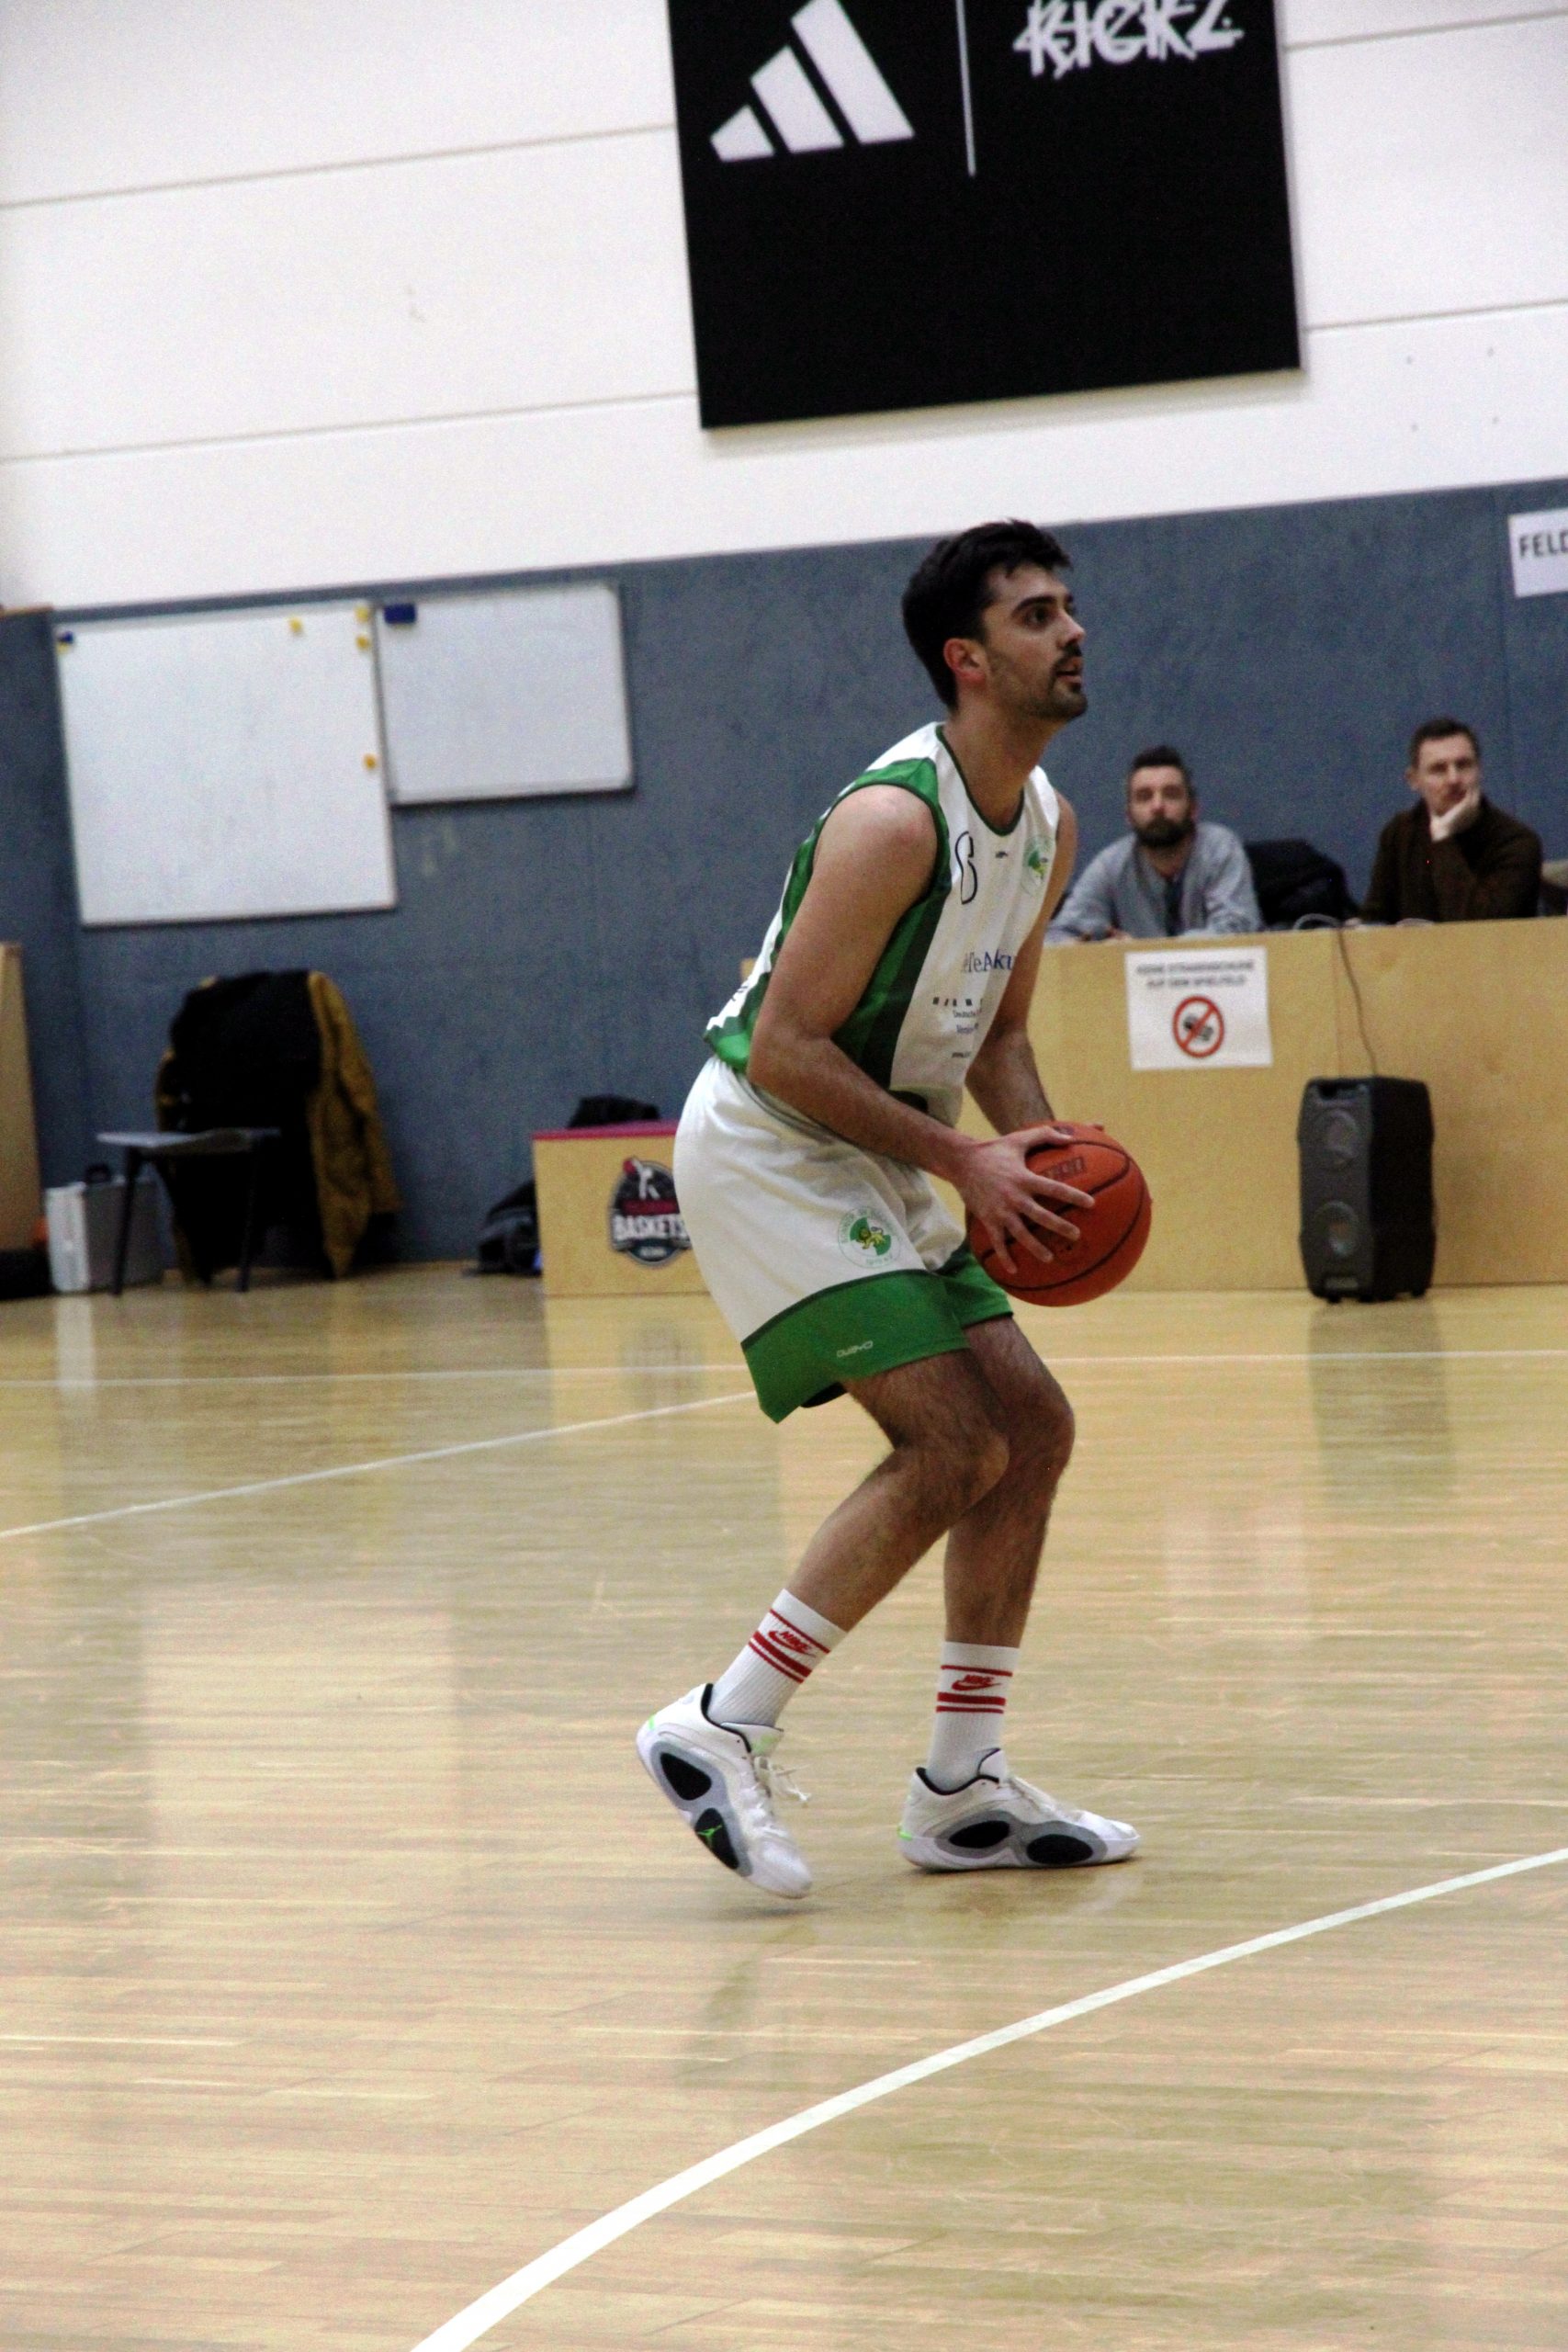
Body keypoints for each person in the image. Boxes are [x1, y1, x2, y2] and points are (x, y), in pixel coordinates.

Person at [637, 519, 1139, 1901]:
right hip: (767, 1145)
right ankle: (721, 1721)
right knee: (954, 1439)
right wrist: (966, 1164)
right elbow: (786, 1047)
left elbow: (997, 1037)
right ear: (966, 660)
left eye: (1068, 606)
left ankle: (961, 1789)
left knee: (1031, 1429)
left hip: (878, 1149)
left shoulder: (1047, 825)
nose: (1072, 630)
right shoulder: (893, 822)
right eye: (1037, 615)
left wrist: (1035, 1160)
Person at [1047, 746, 1260, 941]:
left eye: (1171, 795)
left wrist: (1141, 954)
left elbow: (1239, 928)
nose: (1157, 806)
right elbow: (1058, 936)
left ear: (1193, 809)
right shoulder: (1111, 865)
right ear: (1129, 815)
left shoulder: (1219, 848)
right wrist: (1098, 950)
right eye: (1144, 797)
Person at [1361, 719, 1541, 924]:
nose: (1454, 779)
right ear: (1413, 780)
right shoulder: (1400, 833)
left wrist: (1443, 837)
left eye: (1463, 765)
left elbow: (1480, 928)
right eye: (1439, 769)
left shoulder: (1516, 842)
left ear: (1479, 770)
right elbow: (1375, 919)